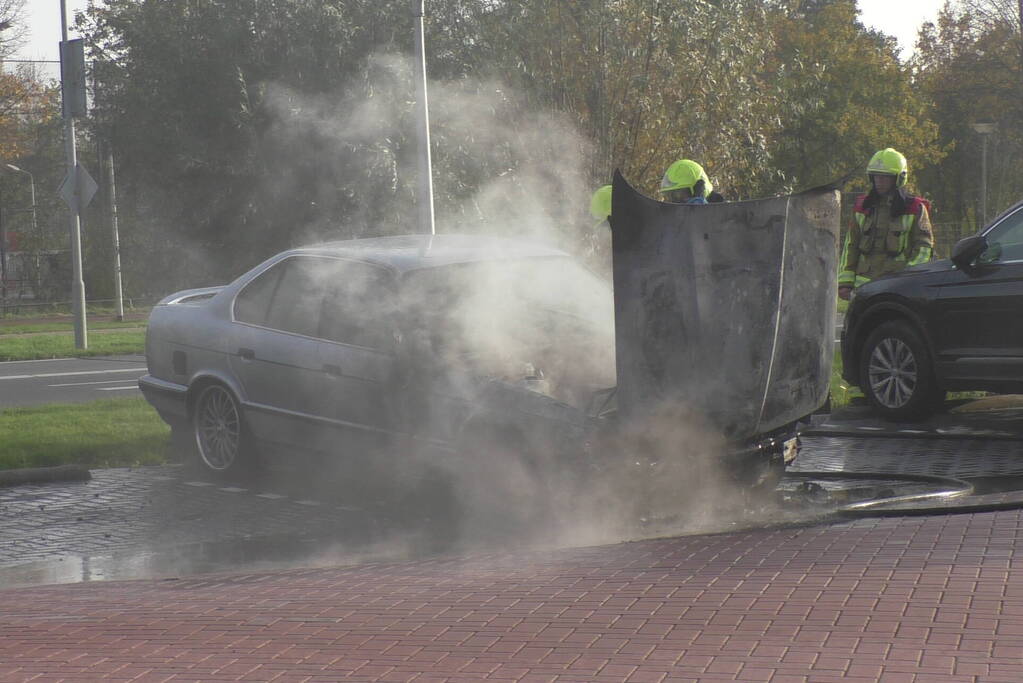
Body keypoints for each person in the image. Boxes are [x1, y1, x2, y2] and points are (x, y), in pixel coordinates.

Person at [838, 148, 934, 300]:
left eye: (885, 177)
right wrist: (845, 282)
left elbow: (923, 248)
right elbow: (851, 245)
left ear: (899, 178)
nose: (879, 182)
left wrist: (910, 278)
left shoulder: (914, 208)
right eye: (876, 177)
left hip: (897, 286)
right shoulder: (863, 207)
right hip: (863, 287)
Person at [659, 159, 724, 204]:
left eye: (678, 195)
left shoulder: (726, 214)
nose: (673, 202)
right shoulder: (668, 218)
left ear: (699, 188)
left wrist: (698, 205)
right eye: (668, 197)